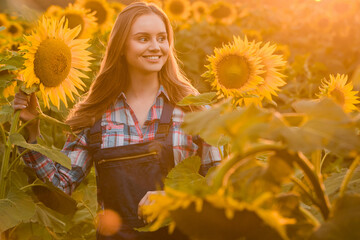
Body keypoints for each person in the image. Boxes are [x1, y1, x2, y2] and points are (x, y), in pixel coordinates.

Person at [13, 2, 221, 240]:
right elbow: (61, 184)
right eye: (143, 38)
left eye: (162, 38)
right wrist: (30, 132)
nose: (156, 47)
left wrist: (177, 200)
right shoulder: (95, 115)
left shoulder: (194, 110)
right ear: (121, 46)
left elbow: (221, 187)